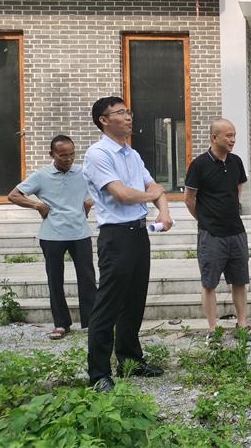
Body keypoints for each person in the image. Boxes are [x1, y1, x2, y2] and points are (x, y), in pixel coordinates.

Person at [83, 96, 173, 393]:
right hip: (116, 236)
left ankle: (130, 360)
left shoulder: (131, 154)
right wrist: (152, 196)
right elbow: (122, 194)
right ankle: (99, 374)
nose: (129, 117)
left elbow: (154, 186)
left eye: (129, 112)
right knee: (108, 304)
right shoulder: (98, 154)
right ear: (104, 120)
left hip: (138, 234)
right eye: (121, 113)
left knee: (134, 301)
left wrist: (164, 211)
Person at [8, 135, 97, 341]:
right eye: (63, 155)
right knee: (55, 280)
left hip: (80, 233)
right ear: (52, 155)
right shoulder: (41, 175)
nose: (69, 159)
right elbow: (13, 195)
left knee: (87, 278)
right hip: (52, 235)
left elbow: (103, 190)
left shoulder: (84, 172)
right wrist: (37, 205)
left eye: (72, 154)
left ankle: (93, 322)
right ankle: (61, 323)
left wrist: (90, 201)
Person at [184, 118, 251, 343]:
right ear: (214, 137)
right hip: (211, 235)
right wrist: (205, 220)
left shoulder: (236, 162)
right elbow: (189, 199)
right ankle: (213, 330)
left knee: (239, 280)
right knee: (209, 283)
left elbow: (237, 191)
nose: (233, 139)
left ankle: (243, 325)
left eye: (234, 135)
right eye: (228, 135)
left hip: (236, 232)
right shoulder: (199, 165)